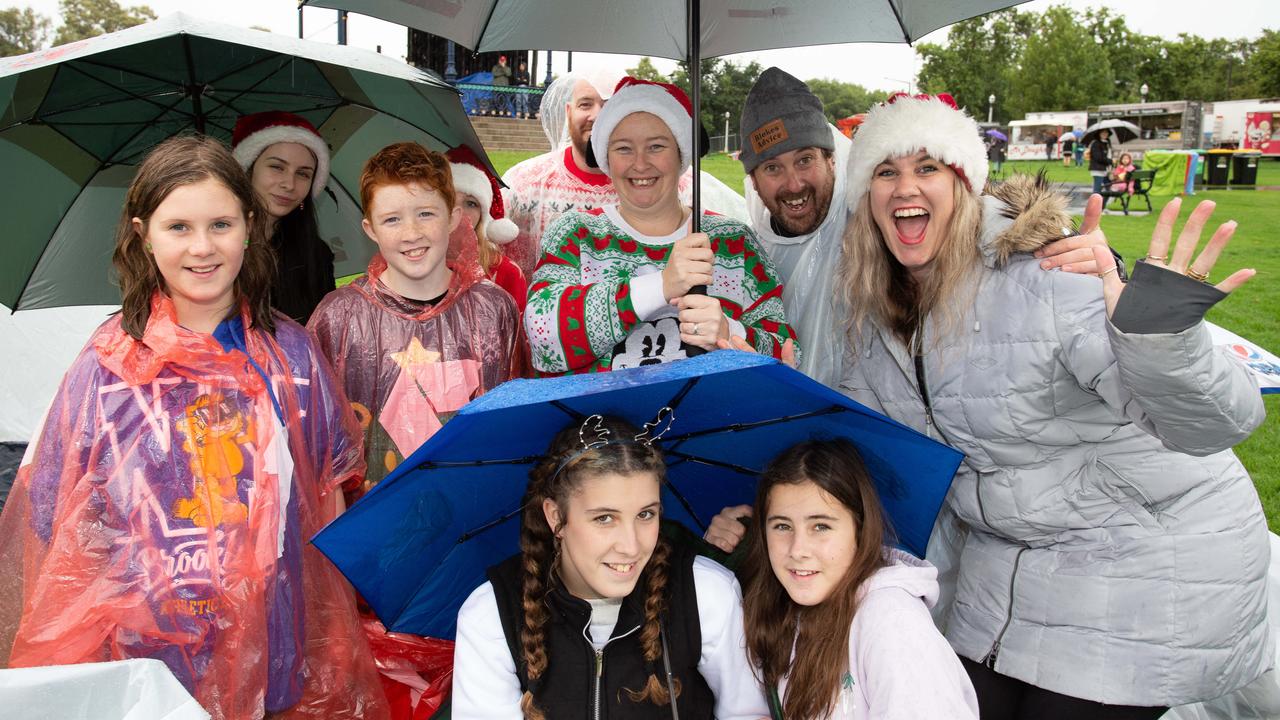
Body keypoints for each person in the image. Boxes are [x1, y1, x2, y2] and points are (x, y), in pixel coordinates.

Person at [837, 92, 1268, 718]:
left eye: (928, 166)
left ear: (963, 184)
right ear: (867, 198)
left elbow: (1216, 423)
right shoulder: (878, 315)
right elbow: (861, 440)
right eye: (885, 170)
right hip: (1010, 569)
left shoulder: (1047, 271)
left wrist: (1158, 338)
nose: (907, 186)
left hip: (1149, 556)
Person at [0, 136, 387, 719]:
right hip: (146, 655)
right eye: (178, 226)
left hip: (270, 640)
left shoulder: (294, 358)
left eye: (221, 224)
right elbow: (58, 519)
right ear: (142, 233)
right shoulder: (107, 367)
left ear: (250, 226)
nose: (202, 248)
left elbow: (325, 507)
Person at [736, 69, 1106, 390]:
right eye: (772, 168)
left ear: (832, 159)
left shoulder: (881, 228)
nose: (794, 183)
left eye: (805, 160)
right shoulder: (751, 254)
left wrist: (1081, 255)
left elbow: (982, 225)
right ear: (752, 178)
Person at [452, 414, 769, 719]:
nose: (631, 546)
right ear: (555, 517)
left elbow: (747, 713)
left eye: (646, 515)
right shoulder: (492, 613)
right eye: (605, 518)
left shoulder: (706, 593)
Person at [524, 77, 797, 375]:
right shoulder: (575, 235)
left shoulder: (733, 243)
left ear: (681, 153)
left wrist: (729, 330)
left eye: (656, 146)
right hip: (600, 422)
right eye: (624, 149)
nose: (640, 164)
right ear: (605, 158)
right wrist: (660, 286)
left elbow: (788, 353)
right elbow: (542, 341)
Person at [308, 142, 520, 494]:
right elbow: (320, 447)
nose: (411, 233)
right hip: (372, 524)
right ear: (370, 229)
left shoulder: (494, 309)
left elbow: (513, 425)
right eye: (392, 219)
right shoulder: (338, 317)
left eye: (426, 214)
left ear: (453, 218)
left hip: (470, 510)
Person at [742, 439, 979, 720]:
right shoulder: (785, 610)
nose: (798, 550)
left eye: (820, 526)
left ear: (860, 529)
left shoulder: (892, 622)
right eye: (782, 526)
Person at [502, 71, 749, 276]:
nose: (597, 115)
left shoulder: (687, 188)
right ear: (568, 111)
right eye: (586, 104)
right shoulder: (526, 183)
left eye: (656, 146)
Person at [232, 110, 336, 324]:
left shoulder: (317, 254)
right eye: (277, 167)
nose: (289, 184)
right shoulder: (214, 249)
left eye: (303, 173)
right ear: (248, 169)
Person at [447, 145, 528, 311]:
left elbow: (516, 333)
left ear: (484, 215)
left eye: (471, 203)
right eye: (449, 198)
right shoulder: (413, 263)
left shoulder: (506, 273)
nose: (459, 212)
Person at [1088, 128, 1113, 194]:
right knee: (1097, 191)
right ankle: (1095, 204)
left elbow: (1108, 155)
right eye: (1102, 132)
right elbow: (1098, 157)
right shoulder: (1096, 143)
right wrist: (1111, 161)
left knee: (1109, 190)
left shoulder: (1107, 143)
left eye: (1106, 132)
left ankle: (1102, 204)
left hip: (1106, 170)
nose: (1105, 134)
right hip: (1098, 170)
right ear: (1099, 134)